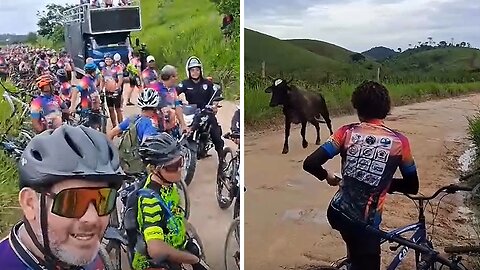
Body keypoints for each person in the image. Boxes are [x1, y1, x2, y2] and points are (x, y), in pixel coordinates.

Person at [303, 80, 419, 270]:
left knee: (354, 247)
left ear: (357, 108)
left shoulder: (345, 132)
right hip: (365, 224)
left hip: (337, 212)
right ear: (386, 109)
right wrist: (381, 183)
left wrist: (326, 175)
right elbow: (412, 187)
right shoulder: (400, 142)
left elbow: (310, 163)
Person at [0, 125, 125, 269]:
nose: (92, 218)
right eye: (72, 202)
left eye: (104, 200)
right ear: (30, 204)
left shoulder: (94, 258)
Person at [129, 133, 209, 270]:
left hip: (174, 244)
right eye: (172, 166)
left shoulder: (168, 184)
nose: (180, 169)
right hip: (154, 263)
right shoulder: (150, 202)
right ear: (154, 169)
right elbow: (156, 250)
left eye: (180, 162)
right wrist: (193, 260)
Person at [177, 56, 224, 160]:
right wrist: (173, 101)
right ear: (188, 71)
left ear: (200, 70)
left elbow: (216, 94)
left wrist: (215, 105)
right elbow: (174, 92)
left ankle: (222, 157)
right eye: (192, 70)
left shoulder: (207, 83)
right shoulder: (185, 83)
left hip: (206, 110)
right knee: (179, 128)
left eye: (197, 70)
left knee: (215, 133)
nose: (195, 72)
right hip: (191, 111)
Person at [151, 65, 187, 134]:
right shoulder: (155, 88)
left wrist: (183, 124)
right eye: (175, 76)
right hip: (157, 128)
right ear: (171, 77)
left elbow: (177, 106)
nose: (177, 78)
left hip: (171, 128)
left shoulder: (173, 89)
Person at [69, 63, 101, 128]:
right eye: (95, 71)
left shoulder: (92, 79)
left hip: (94, 108)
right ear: (92, 72)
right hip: (87, 109)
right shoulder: (85, 80)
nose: (96, 72)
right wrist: (72, 107)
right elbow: (75, 91)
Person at [99, 52, 124, 127]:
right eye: (106, 59)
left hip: (116, 92)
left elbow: (120, 80)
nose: (107, 61)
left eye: (109, 59)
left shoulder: (117, 68)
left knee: (118, 109)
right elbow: (102, 80)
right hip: (108, 92)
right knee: (110, 109)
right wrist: (101, 90)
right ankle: (114, 126)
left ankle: (121, 126)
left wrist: (117, 88)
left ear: (112, 60)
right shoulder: (103, 69)